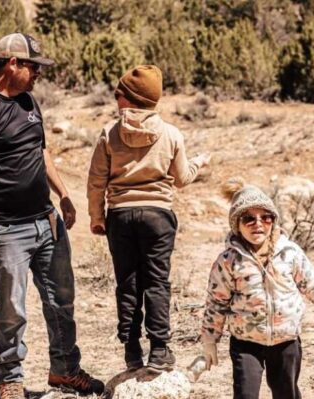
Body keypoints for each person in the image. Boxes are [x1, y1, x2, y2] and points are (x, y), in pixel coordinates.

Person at [0, 33, 104, 399]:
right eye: (33, 66)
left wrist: (63, 194)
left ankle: (65, 371)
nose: (38, 74)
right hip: (5, 230)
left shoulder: (29, 102)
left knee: (61, 300)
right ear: (11, 64)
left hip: (46, 223)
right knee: (11, 309)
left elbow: (41, 153)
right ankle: (10, 379)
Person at [200, 177, 314, 399]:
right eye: (248, 219)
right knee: (245, 395)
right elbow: (216, 302)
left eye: (266, 217)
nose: (258, 224)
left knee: (286, 393)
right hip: (246, 343)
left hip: (286, 340)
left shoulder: (289, 253)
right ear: (237, 224)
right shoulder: (228, 261)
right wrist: (209, 340)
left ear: (273, 220)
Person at [87, 65, 211, 372]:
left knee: (127, 284)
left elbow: (96, 181)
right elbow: (181, 179)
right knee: (156, 283)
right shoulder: (171, 134)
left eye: (118, 95)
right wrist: (198, 162)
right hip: (158, 216)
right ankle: (159, 350)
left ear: (128, 99)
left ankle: (131, 352)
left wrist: (97, 217)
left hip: (120, 216)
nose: (115, 100)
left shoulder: (109, 133)